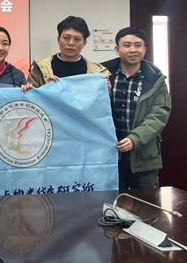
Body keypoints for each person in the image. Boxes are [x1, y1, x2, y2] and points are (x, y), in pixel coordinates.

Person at [101, 28, 171, 189]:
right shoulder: (102, 77)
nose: (133, 50)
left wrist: (135, 138)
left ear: (144, 50)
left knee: (146, 203)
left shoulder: (155, 80)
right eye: (127, 45)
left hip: (143, 156)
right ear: (117, 50)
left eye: (138, 45)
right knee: (111, 202)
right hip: (109, 156)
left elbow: (159, 114)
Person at [28, 16, 109, 87]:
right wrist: (46, 88)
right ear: (58, 40)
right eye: (66, 38)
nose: (71, 43)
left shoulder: (97, 72)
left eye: (77, 39)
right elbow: (31, 97)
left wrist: (107, 89)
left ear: (84, 43)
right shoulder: (40, 69)